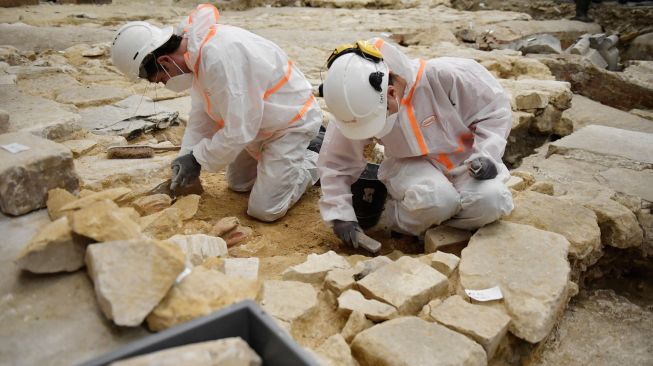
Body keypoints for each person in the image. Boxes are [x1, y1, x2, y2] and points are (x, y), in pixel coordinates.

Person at [110, 4, 322, 222]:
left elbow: (239, 131)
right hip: (258, 122)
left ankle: (314, 159)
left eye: (162, 79)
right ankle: (279, 164)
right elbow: (201, 114)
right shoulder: (195, 54)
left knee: (265, 210)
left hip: (289, 122)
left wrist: (198, 158)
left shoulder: (219, 57)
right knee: (239, 184)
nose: (166, 83)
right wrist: (187, 154)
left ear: (164, 61)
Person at [318, 39, 514, 248]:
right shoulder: (353, 102)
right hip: (409, 166)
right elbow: (336, 161)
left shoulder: (448, 76)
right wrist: (340, 214)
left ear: (391, 93)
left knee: (492, 202)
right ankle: (395, 219)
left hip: (466, 163)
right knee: (436, 200)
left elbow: (494, 110)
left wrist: (487, 154)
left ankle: (431, 223)